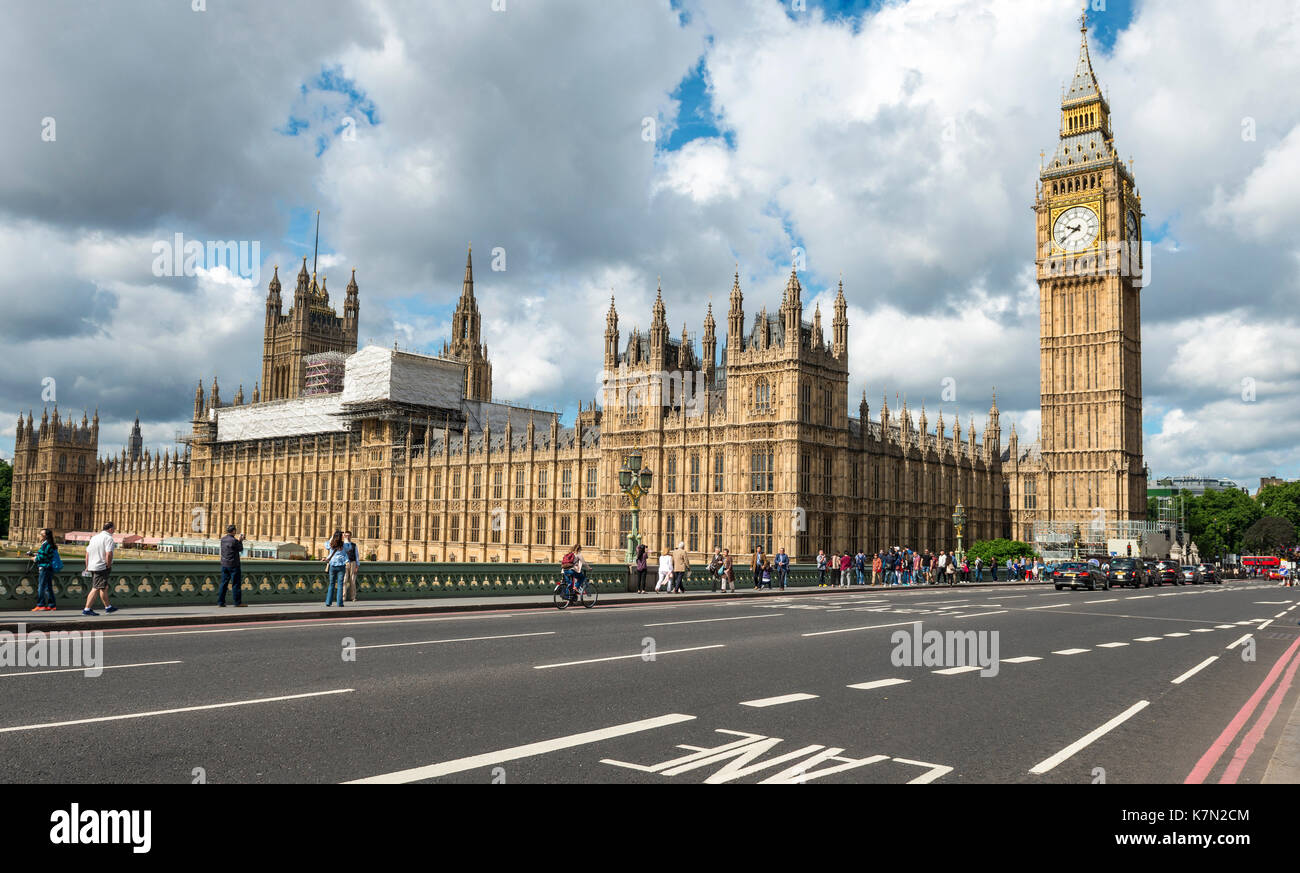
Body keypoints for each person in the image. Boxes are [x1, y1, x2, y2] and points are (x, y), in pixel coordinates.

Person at [82, 522, 118, 616]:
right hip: (101, 566)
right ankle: (87, 609)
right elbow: (109, 553)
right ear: (110, 529)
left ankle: (108, 607)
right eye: (114, 529)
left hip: (92, 565)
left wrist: (87, 566)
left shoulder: (94, 537)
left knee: (103, 587)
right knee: (96, 588)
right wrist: (108, 565)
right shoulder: (108, 538)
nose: (114, 530)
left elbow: (87, 553)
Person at [28, 528, 60, 611]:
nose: (40, 535)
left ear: (45, 536)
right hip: (49, 568)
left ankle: (40, 605)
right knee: (48, 587)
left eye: (41, 534)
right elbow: (45, 554)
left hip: (45, 568)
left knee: (41, 587)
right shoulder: (49, 543)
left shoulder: (46, 544)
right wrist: (35, 554)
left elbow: (43, 557)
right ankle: (52, 605)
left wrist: (34, 558)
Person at [218, 524, 247, 607]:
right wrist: (240, 541)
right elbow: (240, 549)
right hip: (234, 565)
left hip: (224, 564)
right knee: (236, 584)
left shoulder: (223, 539)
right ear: (233, 531)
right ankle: (237, 602)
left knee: (223, 584)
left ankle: (221, 602)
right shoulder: (234, 541)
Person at [324, 531, 348, 607]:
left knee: (331, 584)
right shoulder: (344, 545)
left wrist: (332, 536)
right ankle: (339, 603)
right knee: (340, 584)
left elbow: (326, 544)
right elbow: (348, 549)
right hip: (341, 565)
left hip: (332, 565)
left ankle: (328, 602)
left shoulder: (331, 544)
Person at [343, 530, 361, 602]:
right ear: (344, 536)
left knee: (352, 581)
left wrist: (357, 566)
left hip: (353, 563)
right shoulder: (342, 545)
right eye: (346, 535)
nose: (347, 537)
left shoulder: (354, 545)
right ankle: (343, 597)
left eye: (349, 535)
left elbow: (357, 556)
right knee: (344, 580)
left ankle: (353, 597)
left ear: (351, 536)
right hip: (344, 564)